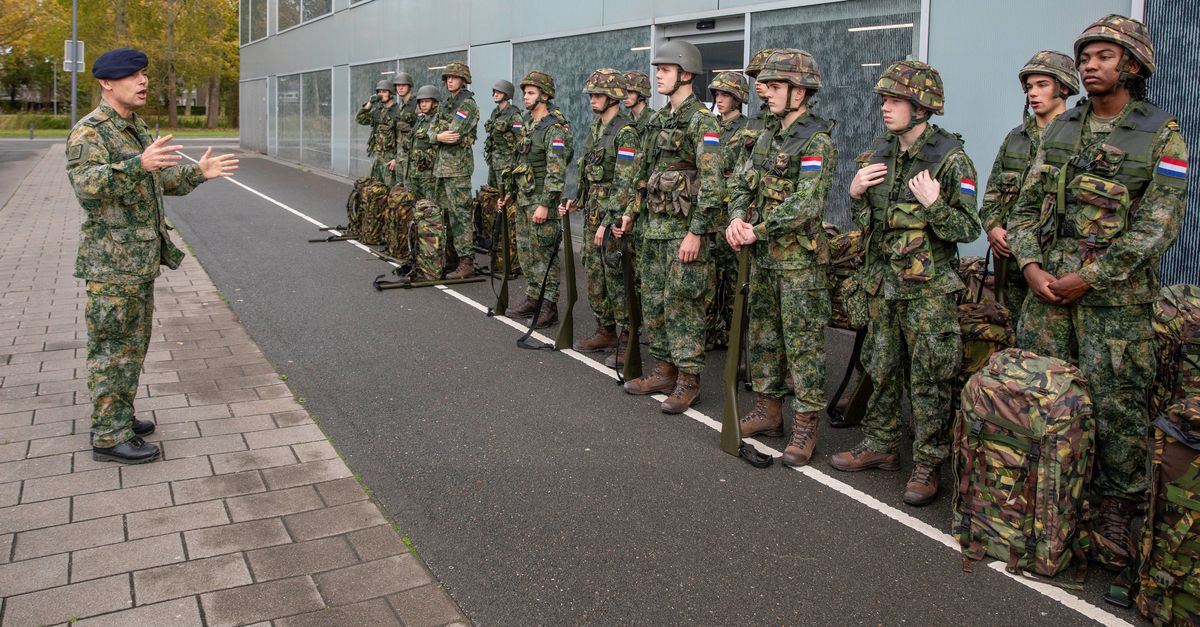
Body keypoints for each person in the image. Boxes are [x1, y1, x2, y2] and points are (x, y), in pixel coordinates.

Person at [1007, 14, 1188, 569]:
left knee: (1117, 410)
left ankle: (1115, 514)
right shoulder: (1060, 128)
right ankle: (1037, 500)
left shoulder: (1163, 132)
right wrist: (1032, 266)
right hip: (1047, 295)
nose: (1089, 64)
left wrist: (1092, 276)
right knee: (1038, 399)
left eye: (1104, 56)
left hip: (1113, 302)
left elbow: (1161, 223)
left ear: (1132, 65)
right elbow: (1027, 207)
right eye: (1085, 56)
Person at [67, 48, 238, 464]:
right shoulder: (90, 133)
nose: (142, 81)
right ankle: (109, 437)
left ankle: (118, 416)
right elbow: (88, 185)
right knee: (112, 348)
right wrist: (137, 166)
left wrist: (198, 172)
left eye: (144, 74)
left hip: (136, 261)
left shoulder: (134, 127)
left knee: (132, 345)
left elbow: (157, 180)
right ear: (107, 82)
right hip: (111, 264)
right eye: (132, 75)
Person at [831, 60, 981, 507]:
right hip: (884, 286)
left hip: (928, 294)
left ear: (922, 107)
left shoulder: (951, 158)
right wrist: (854, 194)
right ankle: (880, 445)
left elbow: (968, 229)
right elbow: (871, 224)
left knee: (930, 377)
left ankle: (928, 462)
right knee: (881, 367)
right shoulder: (880, 151)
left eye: (895, 100)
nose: (885, 108)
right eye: (884, 100)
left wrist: (935, 204)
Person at [726, 49, 837, 467]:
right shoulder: (768, 134)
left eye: (775, 86)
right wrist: (737, 217)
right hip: (764, 260)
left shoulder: (817, 141)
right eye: (767, 85)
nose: (766, 93)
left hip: (799, 265)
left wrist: (759, 228)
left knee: (803, 345)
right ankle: (768, 411)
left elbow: (807, 202)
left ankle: (805, 425)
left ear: (801, 92)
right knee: (765, 338)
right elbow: (742, 182)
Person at [620, 40, 723, 414]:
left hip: (682, 234)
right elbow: (645, 174)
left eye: (664, 69)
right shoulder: (660, 120)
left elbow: (712, 184)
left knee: (685, 306)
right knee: (655, 303)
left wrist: (696, 232)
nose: (658, 75)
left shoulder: (703, 121)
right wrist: (631, 213)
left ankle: (688, 381)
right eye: (658, 69)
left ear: (686, 74)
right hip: (653, 230)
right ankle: (663, 369)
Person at [980, 51, 1079, 318]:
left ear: (1065, 87)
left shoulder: (1078, 139)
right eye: (1030, 87)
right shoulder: (1015, 139)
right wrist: (993, 227)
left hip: (1053, 267)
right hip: (1009, 263)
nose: (1033, 93)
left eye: (1042, 85)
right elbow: (991, 198)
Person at [565, 69, 640, 356]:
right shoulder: (596, 128)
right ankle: (605, 329)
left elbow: (624, 182)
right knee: (594, 274)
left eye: (598, 95)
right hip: (593, 211)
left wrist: (608, 222)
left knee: (615, 276)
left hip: (611, 214)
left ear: (613, 98)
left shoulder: (626, 134)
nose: (592, 100)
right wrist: (577, 200)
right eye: (592, 95)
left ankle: (626, 336)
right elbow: (587, 171)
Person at [501, 71, 571, 329]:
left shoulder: (554, 129)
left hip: (541, 200)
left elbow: (556, 170)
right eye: (525, 93)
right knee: (527, 252)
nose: (526, 97)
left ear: (544, 95)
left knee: (544, 254)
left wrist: (545, 203)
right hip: (523, 198)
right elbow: (520, 160)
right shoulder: (529, 125)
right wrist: (509, 191)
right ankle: (533, 297)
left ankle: (548, 305)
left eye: (531, 93)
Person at [705, 71, 750, 350]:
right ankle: (713, 331)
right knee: (711, 278)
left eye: (726, 95)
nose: (720, 100)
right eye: (717, 95)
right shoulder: (711, 126)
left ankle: (737, 338)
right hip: (712, 212)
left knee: (735, 280)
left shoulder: (747, 130)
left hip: (730, 211)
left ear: (738, 99)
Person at [431, 61, 480, 279]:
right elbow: (431, 131)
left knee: (460, 216)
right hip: (443, 168)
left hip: (458, 169)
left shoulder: (467, 104)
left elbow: (454, 133)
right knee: (445, 215)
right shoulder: (446, 104)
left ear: (463, 79)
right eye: (447, 77)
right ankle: (451, 257)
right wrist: (437, 135)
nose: (449, 80)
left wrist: (439, 134)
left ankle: (466, 261)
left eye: (454, 77)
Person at [356, 78, 401, 187]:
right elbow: (360, 119)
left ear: (391, 93)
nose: (381, 94)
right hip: (377, 157)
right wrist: (369, 104)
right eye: (379, 92)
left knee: (391, 189)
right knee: (376, 189)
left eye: (384, 92)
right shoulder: (377, 110)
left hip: (390, 158)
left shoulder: (398, 111)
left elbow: (402, 138)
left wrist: (397, 159)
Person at [405, 85, 442, 202]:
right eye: (421, 102)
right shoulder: (420, 120)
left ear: (435, 103)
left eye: (426, 101)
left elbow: (438, 148)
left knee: (429, 208)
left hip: (428, 175)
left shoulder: (438, 121)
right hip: (414, 172)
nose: (423, 104)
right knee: (414, 206)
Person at [388, 72, 419, 183]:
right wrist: (395, 158)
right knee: (400, 191)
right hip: (401, 157)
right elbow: (398, 136)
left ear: (409, 86)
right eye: (397, 85)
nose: (400, 88)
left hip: (413, 157)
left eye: (403, 85)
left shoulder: (417, 103)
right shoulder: (400, 106)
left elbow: (423, 128)